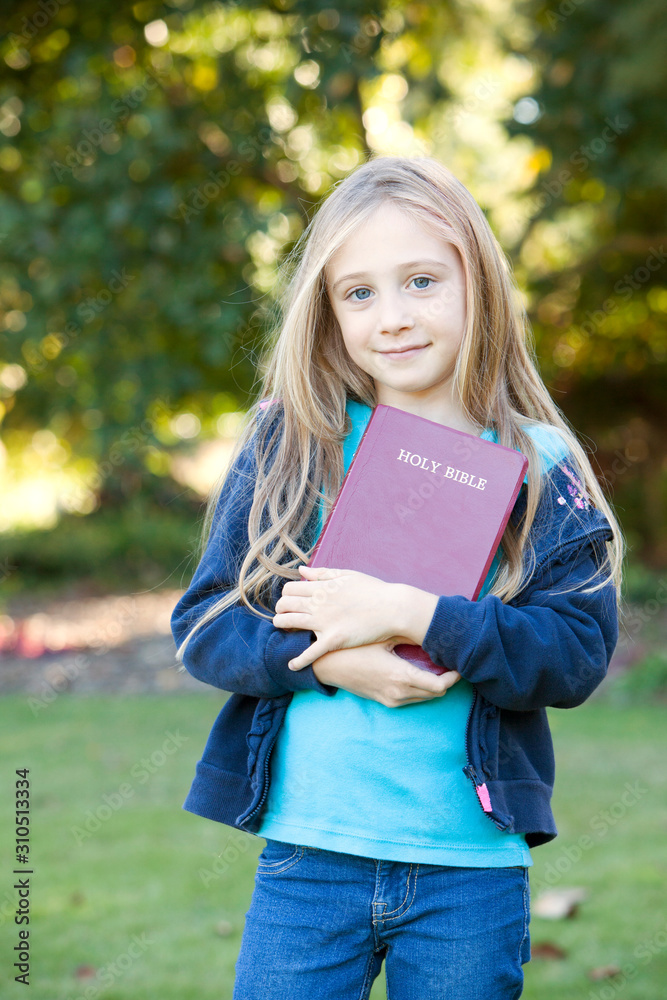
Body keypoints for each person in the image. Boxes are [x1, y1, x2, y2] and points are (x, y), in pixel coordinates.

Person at [171, 155, 622, 1000]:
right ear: (328, 311)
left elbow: (574, 655)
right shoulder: (292, 442)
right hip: (310, 860)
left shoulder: (538, 465)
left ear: (476, 283)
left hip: (468, 872)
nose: (392, 318)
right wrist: (325, 659)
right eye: (359, 293)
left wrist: (418, 613)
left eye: (420, 280)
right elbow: (203, 624)